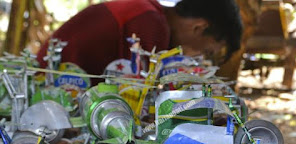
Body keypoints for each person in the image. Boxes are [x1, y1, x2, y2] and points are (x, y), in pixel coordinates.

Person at [37, 0, 243, 85]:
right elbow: (137, 94)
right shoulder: (151, 23)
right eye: (206, 52)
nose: (198, 58)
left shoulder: (148, 12)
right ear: (199, 27)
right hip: (48, 90)